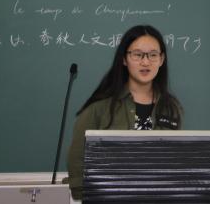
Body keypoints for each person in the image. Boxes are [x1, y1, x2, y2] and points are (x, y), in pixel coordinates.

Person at [66, 24, 182, 200]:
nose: (145, 62)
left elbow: (175, 162)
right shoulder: (99, 108)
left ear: (161, 59)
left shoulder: (171, 108)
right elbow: (78, 160)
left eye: (153, 55)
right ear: (124, 59)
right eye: (137, 54)